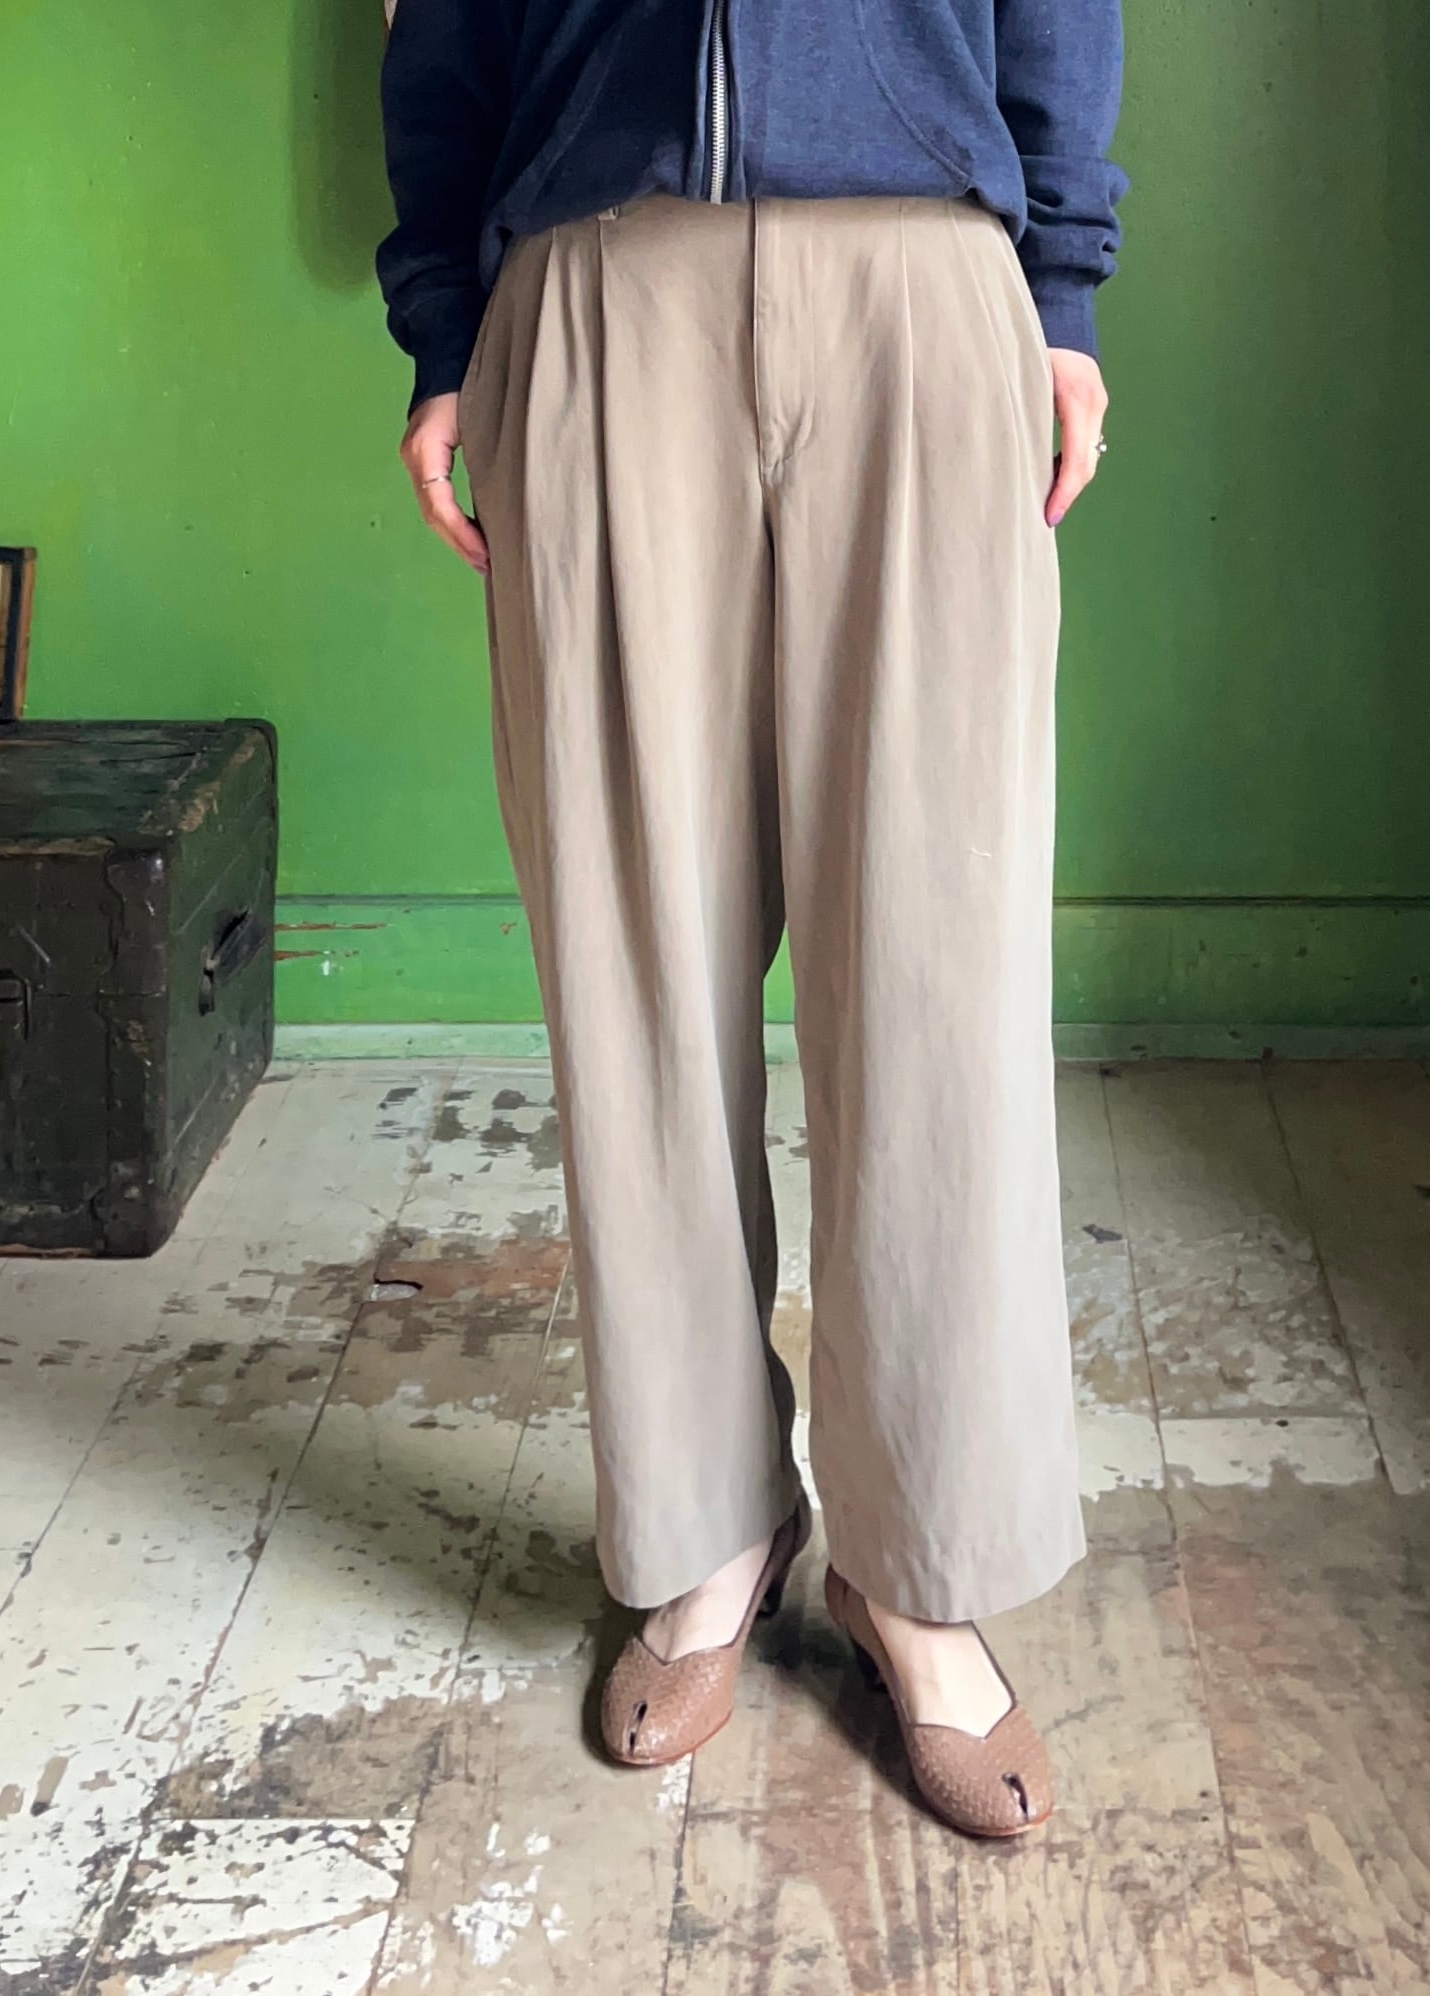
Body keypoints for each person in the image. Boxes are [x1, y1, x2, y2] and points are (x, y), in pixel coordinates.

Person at [376, 0, 1126, 1837]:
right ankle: (706, 1524)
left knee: (941, 958)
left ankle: (921, 1564)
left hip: (923, 279)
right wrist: (446, 323)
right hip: (598, 285)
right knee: (632, 951)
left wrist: (1062, 293)